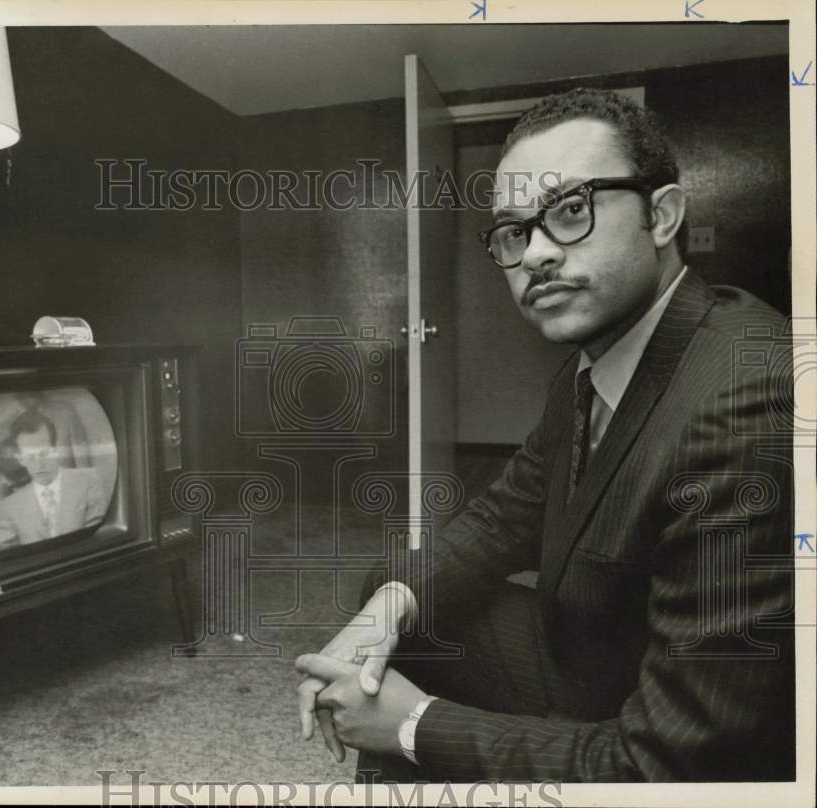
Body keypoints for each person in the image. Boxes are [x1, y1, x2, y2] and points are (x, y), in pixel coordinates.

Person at [295, 88, 795, 782]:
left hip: (663, 728)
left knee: (399, 712)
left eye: (569, 211)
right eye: (512, 231)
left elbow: (675, 765)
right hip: (595, 651)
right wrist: (387, 609)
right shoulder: (592, 366)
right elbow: (506, 517)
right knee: (399, 608)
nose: (534, 255)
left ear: (663, 214)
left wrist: (415, 727)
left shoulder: (747, 402)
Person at [0, 409, 107, 548]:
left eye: (44, 453)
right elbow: (5, 558)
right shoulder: (7, 508)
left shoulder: (88, 480)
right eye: (31, 457)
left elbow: (99, 541)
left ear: (56, 450)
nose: (40, 464)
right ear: (21, 459)